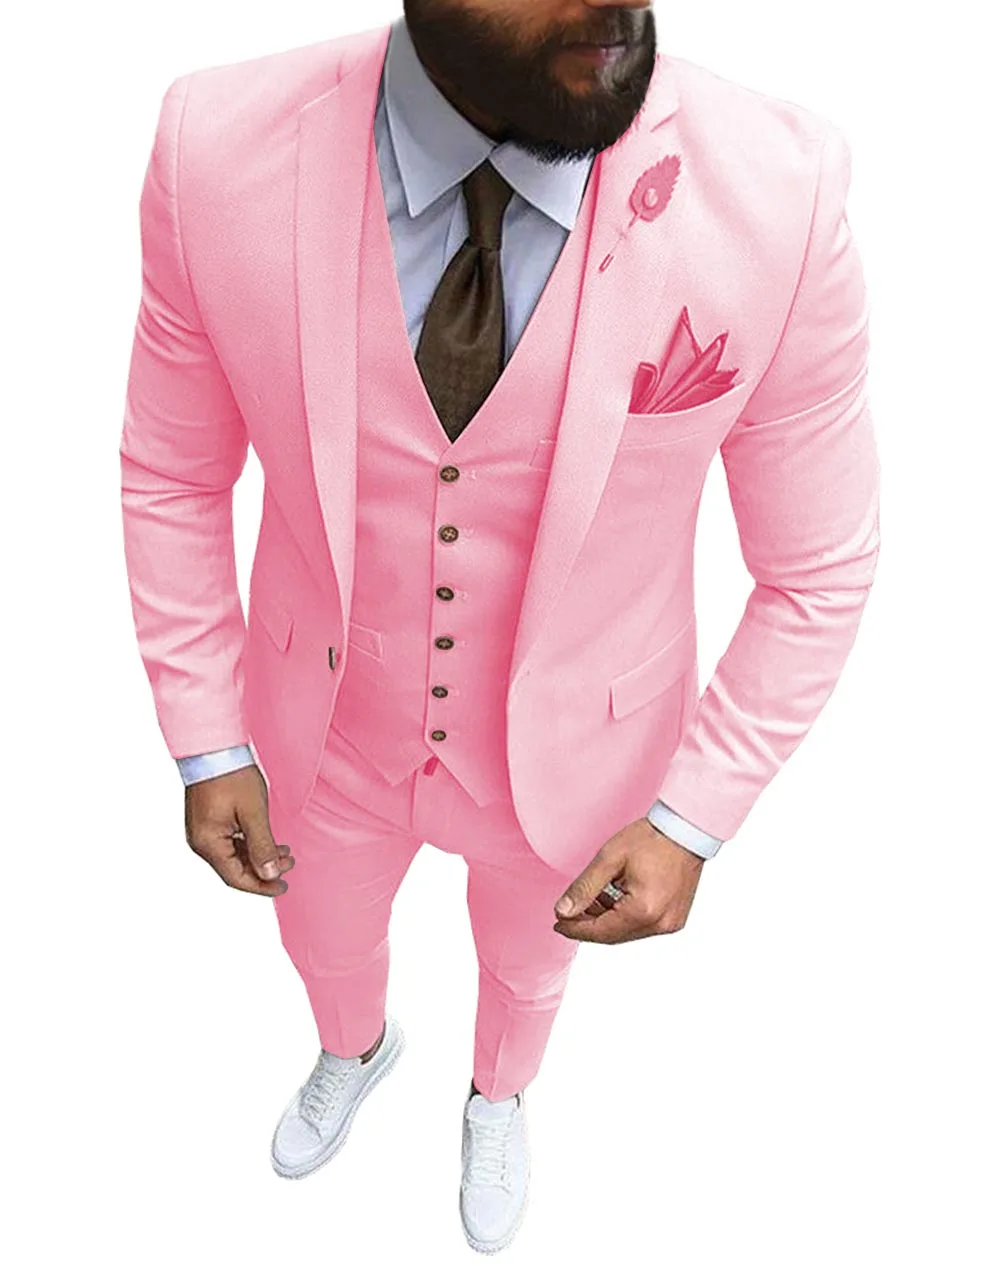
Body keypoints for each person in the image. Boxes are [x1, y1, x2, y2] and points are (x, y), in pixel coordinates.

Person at [119, 0, 880, 1252]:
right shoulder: (214, 145)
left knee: (529, 970)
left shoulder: (779, 193)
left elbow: (817, 567)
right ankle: (353, 1049)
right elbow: (172, 473)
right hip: (321, 734)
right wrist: (206, 738)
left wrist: (693, 813)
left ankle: (498, 1096)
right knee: (323, 938)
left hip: (588, 760)